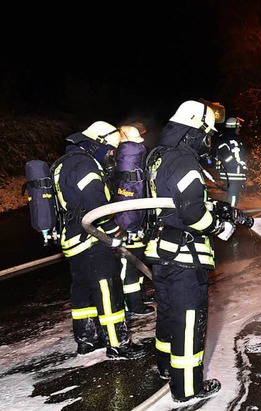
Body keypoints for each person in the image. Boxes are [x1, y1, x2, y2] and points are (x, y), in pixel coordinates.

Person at [144, 100, 248, 403]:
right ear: (194, 131)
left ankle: (165, 367)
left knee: (169, 315)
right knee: (189, 320)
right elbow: (193, 213)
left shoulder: (159, 157)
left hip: (162, 254)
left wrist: (225, 211)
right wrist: (219, 227)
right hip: (185, 258)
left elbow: (175, 201)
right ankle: (187, 388)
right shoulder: (184, 161)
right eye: (206, 134)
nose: (208, 140)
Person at [52, 121, 145, 359]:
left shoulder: (64, 162)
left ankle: (86, 340)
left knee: (82, 289)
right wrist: (114, 231)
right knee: (107, 288)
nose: (112, 154)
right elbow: (96, 205)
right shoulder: (85, 166)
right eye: (111, 149)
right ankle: (118, 344)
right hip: (91, 237)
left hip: (71, 238)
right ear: (98, 143)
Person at [112, 124, 154, 317]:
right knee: (128, 266)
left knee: (134, 262)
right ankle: (132, 304)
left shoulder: (120, 160)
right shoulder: (129, 160)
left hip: (128, 221)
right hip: (131, 222)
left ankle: (136, 298)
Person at [215, 116, 248, 207]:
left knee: (234, 195)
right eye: (238, 127)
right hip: (231, 174)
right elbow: (224, 156)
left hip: (236, 174)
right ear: (234, 127)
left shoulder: (235, 139)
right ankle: (230, 214)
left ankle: (232, 213)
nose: (239, 129)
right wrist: (235, 165)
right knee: (232, 195)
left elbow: (240, 156)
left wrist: (242, 168)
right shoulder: (224, 139)